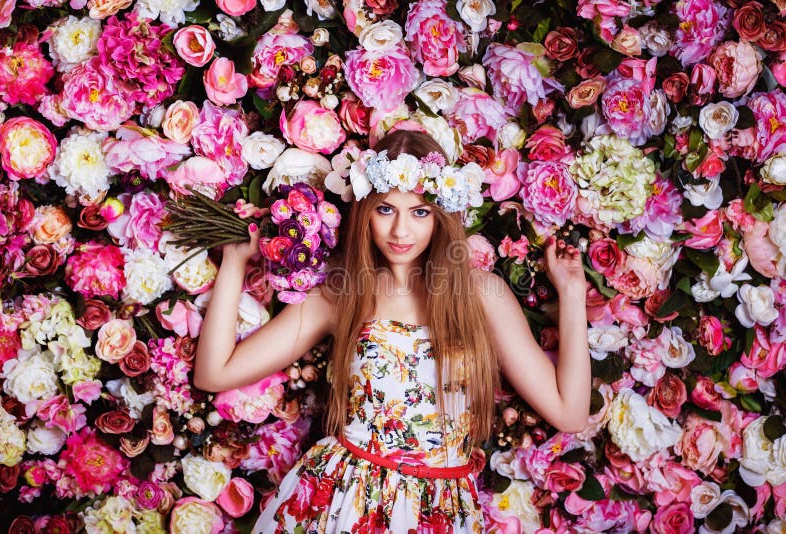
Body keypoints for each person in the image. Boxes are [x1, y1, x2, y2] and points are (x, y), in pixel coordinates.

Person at [193, 129, 591, 533]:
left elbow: (570, 412)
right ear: (366, 210)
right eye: (386, 210)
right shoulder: (344, 294)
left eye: (419, 212)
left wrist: (573, 293)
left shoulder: (482, 294)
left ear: (441, 215)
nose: (401, 231)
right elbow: (215, 373)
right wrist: (234, 264)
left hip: (441, 510)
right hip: (346, 502)